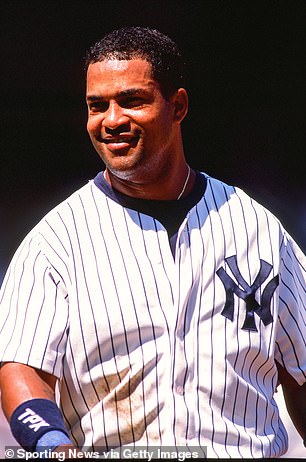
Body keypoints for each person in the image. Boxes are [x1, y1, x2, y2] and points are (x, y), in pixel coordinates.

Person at [0, 26, 305, 459]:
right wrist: (52, 444)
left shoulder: (258, 228)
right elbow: (21, 372)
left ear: (177, 106)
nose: (111, 120)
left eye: (131, 100)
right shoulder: (56, 241)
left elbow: (301, 372)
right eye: (96, 106)